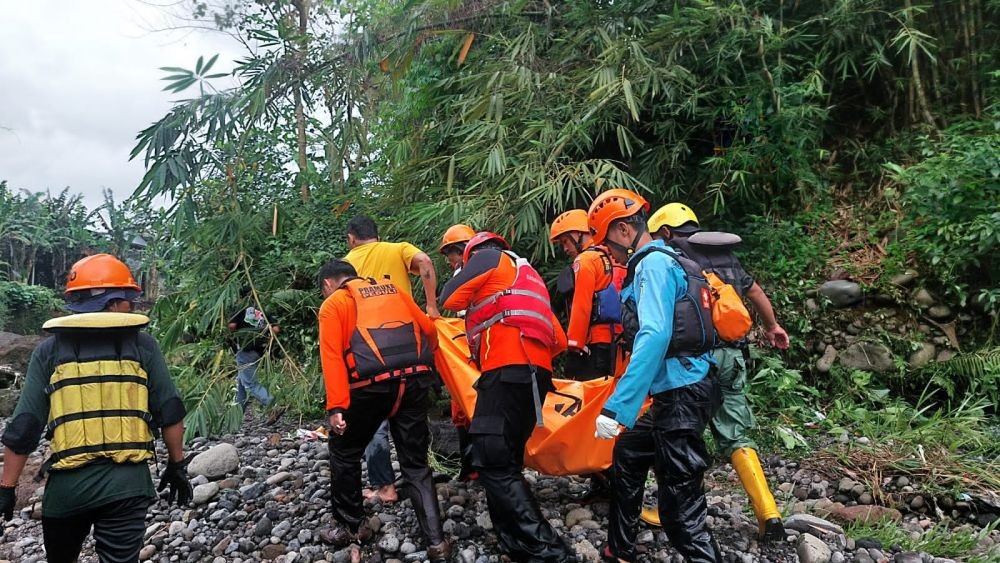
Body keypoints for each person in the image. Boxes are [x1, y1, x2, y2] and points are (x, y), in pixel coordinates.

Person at [0, 253, 192, 563]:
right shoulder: (143, 346)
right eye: (129, 299)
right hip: (127, 487)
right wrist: (176, 465)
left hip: (67, 491)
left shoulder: (49, 351)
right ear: (115, 304)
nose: (132, 306)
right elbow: (170, 411)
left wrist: (6, 488)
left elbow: (24, 427)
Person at [588, 190, 721, 563]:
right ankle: (620, 548)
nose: (607, 253)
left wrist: (617, 409)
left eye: (606, 243)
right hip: (681, 389)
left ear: (623, 230)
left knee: (680, 508)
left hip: (682, 393)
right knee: (629, 453)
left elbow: (655, 334)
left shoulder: (651, 265)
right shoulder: (669, 260)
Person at [647, 202, 788, 541]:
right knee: (737, 435)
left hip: (695, 361)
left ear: (665, 232)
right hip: (734, 358)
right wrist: (773, 327)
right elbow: (754, 292)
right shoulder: (726, 256)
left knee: (681, 433)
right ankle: (768, 512)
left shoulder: (673, 258)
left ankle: (677, 512)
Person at [440, 231, 574, 563]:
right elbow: (558, 339)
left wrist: (470, 285)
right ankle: (514, 542)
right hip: (535, 374)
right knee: (507, 459)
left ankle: (549, 551)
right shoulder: (531, 279)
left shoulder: (490, 258)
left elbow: (450, 297)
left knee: (493, 458)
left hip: (507, 369)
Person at [316, 260, 450, 561]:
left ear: (328, 284)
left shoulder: (334, 303)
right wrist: (432, 372)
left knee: (345, 450)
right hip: (415, 381)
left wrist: (337, 406)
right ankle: (437, 543)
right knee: (415, 465)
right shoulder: (394, 292)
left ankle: (352, 528)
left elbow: (333, 357)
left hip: (370, 387)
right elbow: (429, 330)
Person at [344, 214, 441, 503]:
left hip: (369, 349)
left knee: (374, 419)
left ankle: (384, 487)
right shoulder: (398, 249)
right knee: (411, 414)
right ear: (377, 234)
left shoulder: (347, 265)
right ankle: (418, 480)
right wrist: (431, 306)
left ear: (351, 238)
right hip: (408, 343)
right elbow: (425, 262)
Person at [549, 209, 625, 381]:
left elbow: (581, 305)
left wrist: (574, 345)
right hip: (621, 343)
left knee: (590, 401)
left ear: (578, 233)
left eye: (565, 241)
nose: (565, 248)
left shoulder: (585, 260)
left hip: (596, 344)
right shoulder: (615, 256)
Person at [438, 223, 478, 480]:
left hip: (470, 346)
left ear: (460, 250)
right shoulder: (493, 266)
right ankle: (472, 466)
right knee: (467, 404)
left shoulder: (465, 272)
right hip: (476, 344)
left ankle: (471, 467)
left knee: (465, 404)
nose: (449, 261)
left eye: (450, 254)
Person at [227, 302, 281, 419]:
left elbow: (232, 326)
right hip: (259, 351)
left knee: (251, 384)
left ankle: (273, 405)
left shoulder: (240, 308)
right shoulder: (262, 308)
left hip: (245, 349)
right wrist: (264, 337)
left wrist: (235, 335)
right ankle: (237, 416)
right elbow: (275, 329)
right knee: (241, 382)